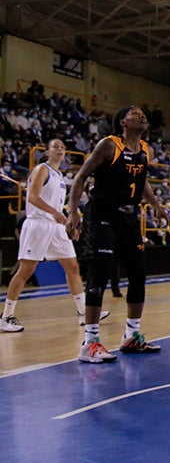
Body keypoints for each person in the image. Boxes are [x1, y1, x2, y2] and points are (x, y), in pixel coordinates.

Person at [66, 106, 166, 363]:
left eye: (144, 113)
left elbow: (141, 182)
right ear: (122, 121)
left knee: (138, 274)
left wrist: (156, 206)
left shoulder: (146, 150)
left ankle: (131, 336)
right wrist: (73, 212)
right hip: (102, 214)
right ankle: (89, 342)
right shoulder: (109, 145)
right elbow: (80, 177)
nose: (142, 115)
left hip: (129, 217)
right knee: (99, 274)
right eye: (135, 113)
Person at [1, 140, 110, 333]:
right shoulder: (41, 169)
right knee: (26, 270)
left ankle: (83, 312)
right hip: (38, 224)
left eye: (62, 147)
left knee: (72, 267)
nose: (60, 149)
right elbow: (33, 197)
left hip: (56, 226)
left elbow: (57, 206)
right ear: (47, 152)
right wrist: (53, 212)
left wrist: (68, 221)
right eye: (55, 147)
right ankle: (6, 316)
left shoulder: (59, 175)